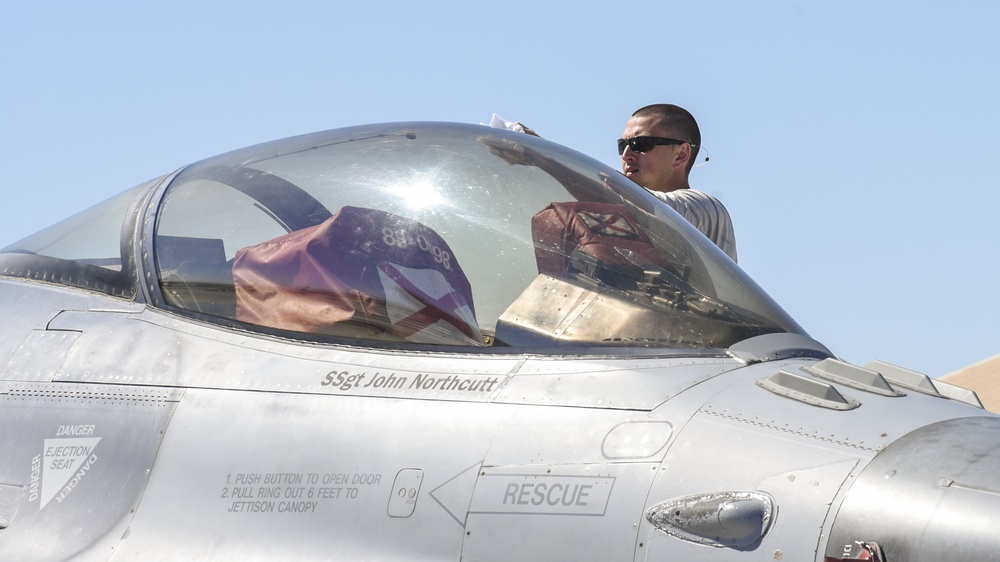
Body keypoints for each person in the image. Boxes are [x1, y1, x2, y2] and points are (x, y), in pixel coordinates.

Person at [619, 104, 738, 262]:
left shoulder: (706, 208)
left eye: (641, 144)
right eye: (622, 145)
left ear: (681, 154)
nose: (626, 155)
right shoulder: (623, 209)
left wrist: (602, 186)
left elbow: (662, 209)